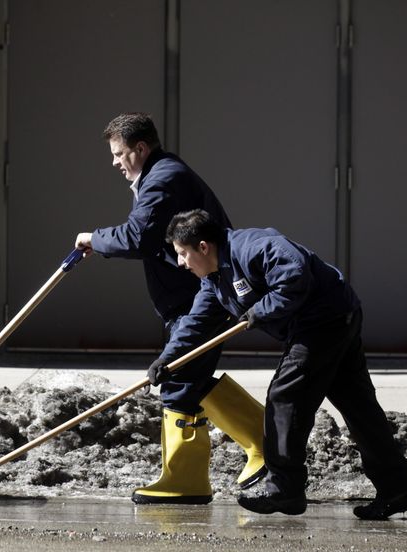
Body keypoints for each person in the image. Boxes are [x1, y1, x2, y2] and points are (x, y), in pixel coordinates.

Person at [159, 208, 407, 519]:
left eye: (182, 254)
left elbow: (295, 274)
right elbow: (197, 323)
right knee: (357, 405)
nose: (180, 263)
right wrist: (168, 359)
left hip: (324, 318)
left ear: (203, 246)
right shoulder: (214, 280)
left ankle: (285, 488)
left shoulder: (254, 246)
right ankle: (396, 488)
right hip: (332, 317)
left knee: (285, 396)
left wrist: (261, 309)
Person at [75, 113, 266, 505]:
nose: (115, 162)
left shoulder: (163, 179)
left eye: (119, 153)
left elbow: (138, 236)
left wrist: (95, 238)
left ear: (140, 148)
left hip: (203, 299)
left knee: (178, 380)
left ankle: (218, 465)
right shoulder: (159, 176)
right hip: (192, 299)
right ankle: (246, 451)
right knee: (189, 381)